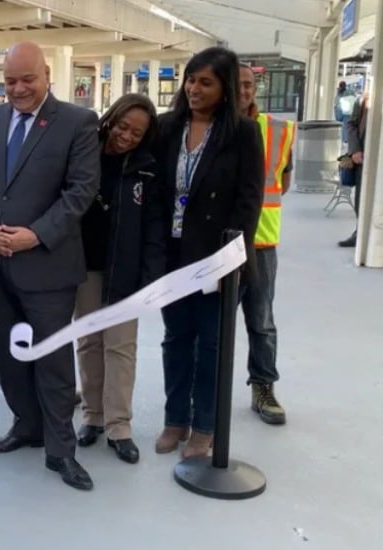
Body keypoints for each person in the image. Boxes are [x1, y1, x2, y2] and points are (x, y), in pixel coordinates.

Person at [0, 42, 100, 491]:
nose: (18, 89)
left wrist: (34, 234)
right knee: (8, 356)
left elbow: (81, 191)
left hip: (47, 268)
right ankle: (26, 426)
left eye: (27, 79)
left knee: (54, 363)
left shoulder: (77, 122)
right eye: (10, 81)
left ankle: (61, 451)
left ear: (47, 76)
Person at [153, 47, 264, 459]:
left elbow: (249, 202)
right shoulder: (166, 128)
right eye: (191, 80)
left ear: (225, 88)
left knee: (212, 344)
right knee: (175, 339)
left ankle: (205, 428)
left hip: (217, 262)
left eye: (206, 82)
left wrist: (227, 263)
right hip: (173, 257)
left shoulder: (243, 134)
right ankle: (175, 419)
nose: (194, 89)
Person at [74, 93, 163, 465]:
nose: (126, 136)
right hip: (84, 266)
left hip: (125, 271)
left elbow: (154, 227)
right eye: (123, 126)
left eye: (137, 133)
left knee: (121, 347)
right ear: (110, 119)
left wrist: (151, 277)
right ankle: (93, 416)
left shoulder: (147, 168)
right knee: (89, 342)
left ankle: (119, 425)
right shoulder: (83, 153)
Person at [237, 64, 295, 425]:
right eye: (236, 84)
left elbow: (283, 182)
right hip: (218, 248)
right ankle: (206, 390)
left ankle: (263, 387)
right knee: (210, 327)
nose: (243, 90)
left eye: (248, 84)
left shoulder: (278, 130)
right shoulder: (210, 127)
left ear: (256, 87)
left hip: (261, 243)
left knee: (261, 322)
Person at [338, 91, 368, 248]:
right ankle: (360, 233)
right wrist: (355, 150)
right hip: (364, 158)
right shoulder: (364, 99)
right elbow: (351, 123)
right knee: (361, 199)